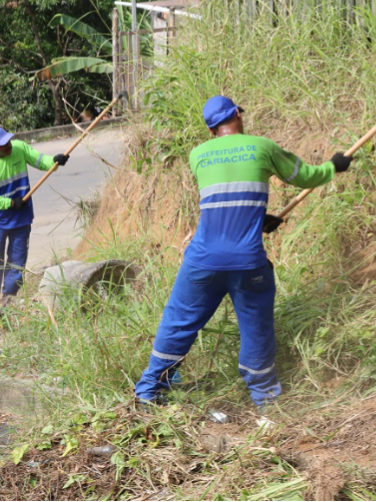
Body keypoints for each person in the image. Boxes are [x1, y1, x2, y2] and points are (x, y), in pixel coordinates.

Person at [134, 95, 352, 408]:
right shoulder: (263, 147)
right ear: (237, 113)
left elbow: (224, 202)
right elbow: (307, 177)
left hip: (202, 260)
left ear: (211, 130)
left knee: (178, 322)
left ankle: (149, 391)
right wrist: (334, 166)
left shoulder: (198, 155)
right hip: (247, 262)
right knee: (256, 328)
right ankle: (265, 399)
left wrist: (256, 219)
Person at [0, 126, 69, 302]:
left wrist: (54, 161)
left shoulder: (19, 148)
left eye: (8, 141)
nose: (8, 145)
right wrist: (9, 203)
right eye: (3, 144)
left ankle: (9, 298)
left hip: (21, 218)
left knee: (17, 262)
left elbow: (40, 160)